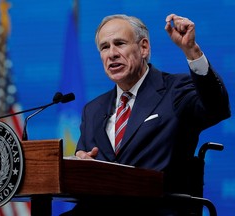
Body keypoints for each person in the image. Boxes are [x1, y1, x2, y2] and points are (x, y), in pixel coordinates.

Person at [61, 13, 231, 216]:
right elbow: (83, 164)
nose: (112, 53)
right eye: (104, 47)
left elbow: (216, 107)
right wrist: (81, 164)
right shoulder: (93, 110)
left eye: (120, 43)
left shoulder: (175, 90)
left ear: (144, 47)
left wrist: (192, 51)